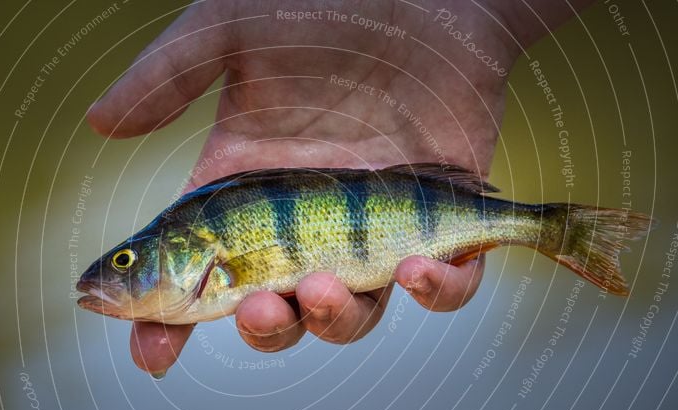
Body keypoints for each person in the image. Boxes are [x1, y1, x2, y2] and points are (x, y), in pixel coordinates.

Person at [87, 0, 593, 377]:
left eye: (126, 262)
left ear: (177, 249)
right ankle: (556, 229)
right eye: (123, 263)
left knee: (315, 301)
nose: (117, 272)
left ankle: (554, 229)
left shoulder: (200, 231)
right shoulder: (200, 239)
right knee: (300, 306)